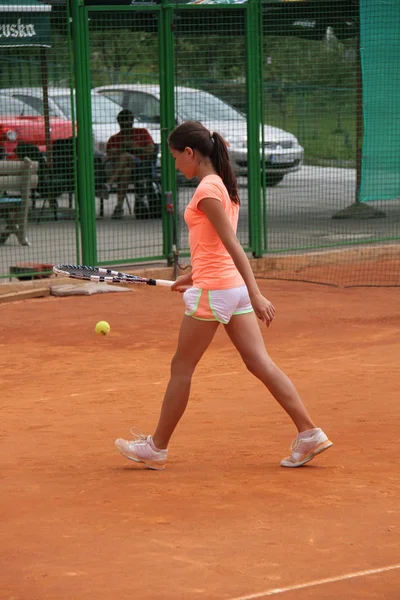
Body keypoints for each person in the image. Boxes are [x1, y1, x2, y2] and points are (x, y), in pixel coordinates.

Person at [114, 120, 332, 470]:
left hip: (217, 291)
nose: (174, 164)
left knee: (181, 367)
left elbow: (233, 246)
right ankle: (309, 434)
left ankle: (156, 447)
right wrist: (191, 275)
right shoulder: (223, 186)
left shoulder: (207, 191)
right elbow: (213, 247)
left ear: (190, 153)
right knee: (259, 362)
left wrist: (257, 293)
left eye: (174, 156)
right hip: (229, 288)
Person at [105, 109, 155, 219]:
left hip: (141, 166)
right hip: (124, 169)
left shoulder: (142, 132)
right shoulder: (114, 139)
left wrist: (135, 148)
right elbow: (108, 157)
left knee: (125, 156)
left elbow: (151, 150)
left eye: (128, 124)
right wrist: (120, 148)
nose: (126, 128)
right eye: (123, 125)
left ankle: (109, 183)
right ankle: (119, 206)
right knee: (126, 170)